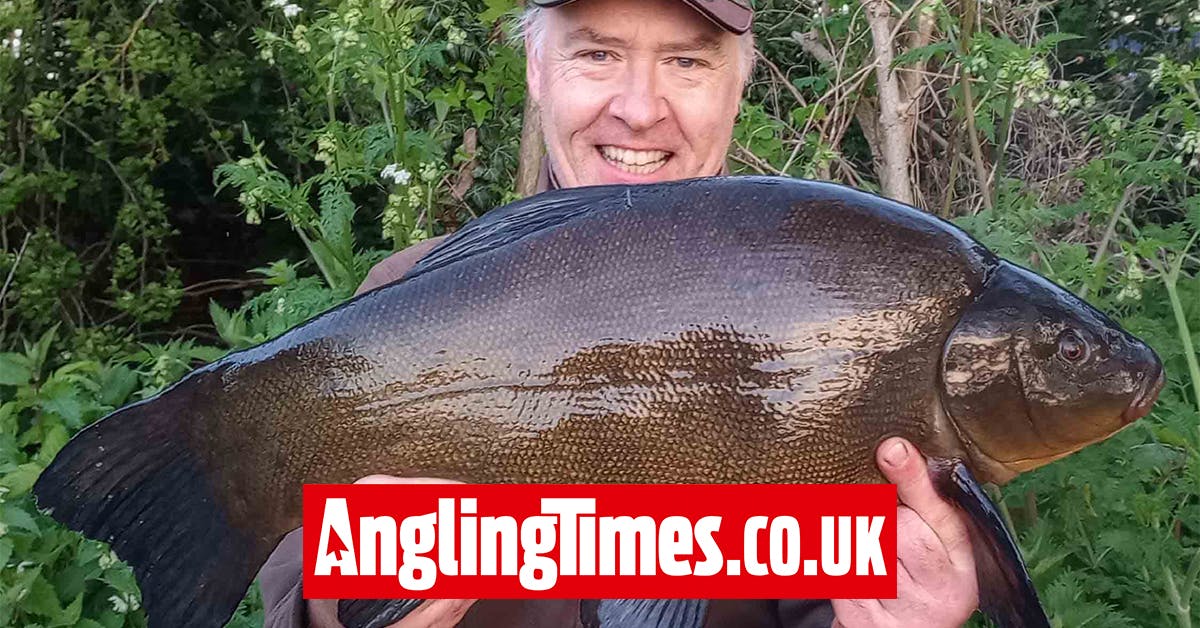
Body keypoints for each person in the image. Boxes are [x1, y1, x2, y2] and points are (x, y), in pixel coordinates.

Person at [259, 0, 981, 626]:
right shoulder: (409, 291)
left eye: (687, 63)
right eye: (598, 54)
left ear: (739, 85)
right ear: (538, 74)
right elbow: (295, 567)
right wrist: (340, 608)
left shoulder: (854, 303)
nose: (638, 108)